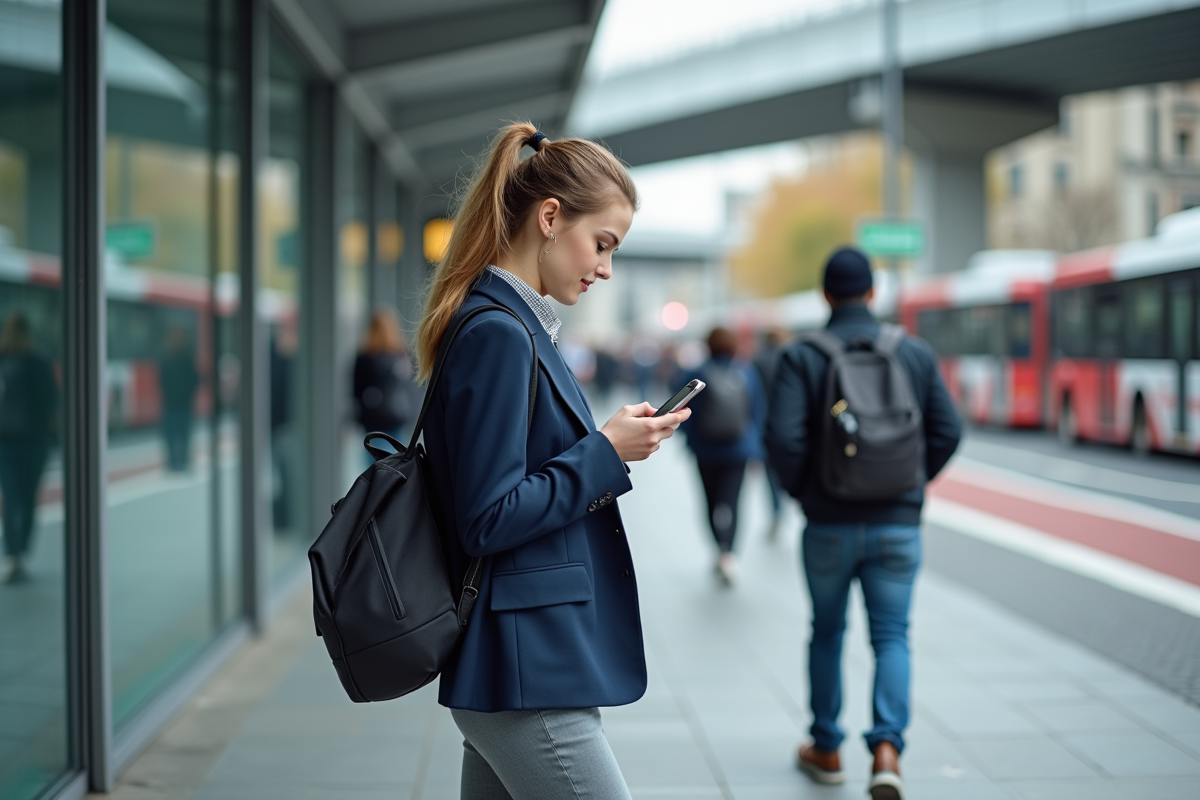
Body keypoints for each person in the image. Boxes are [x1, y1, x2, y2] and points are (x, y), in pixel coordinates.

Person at [416, 122, 690, 800]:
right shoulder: (500, 335)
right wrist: (603, 452)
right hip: (524, 669)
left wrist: (605, 445)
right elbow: (488, 515)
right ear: (548, 217)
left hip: (528, 662)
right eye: (602, 244)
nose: (604, 267)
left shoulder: (508, 324)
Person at [765, 247, 961, 800]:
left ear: (826, 295)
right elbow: (949, 431)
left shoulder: (802, 356)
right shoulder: (914, 353)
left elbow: (783, 440)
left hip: (828, 524)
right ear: (872, 293)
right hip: (898, 524)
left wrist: (812, 493)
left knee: (826, 632)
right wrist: (910, 485)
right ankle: (887, 751)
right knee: (892, 635)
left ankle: (826, 746)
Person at [679, 326, 765, 585]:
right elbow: (757, 411)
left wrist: (692, 442)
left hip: (706, 451)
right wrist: (755, 445)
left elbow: (686, 411)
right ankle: (729, 553)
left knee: (710, 502)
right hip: (738, 450)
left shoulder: (698, 373)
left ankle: (719, 549)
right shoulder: (746, 371)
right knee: (733, 502)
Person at [0, 312, 58, 584]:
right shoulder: (39, 360)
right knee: (29, 499)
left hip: (5, 442)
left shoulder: (2, 360)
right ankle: (22, 549)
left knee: (10, 500)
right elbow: (51, 401)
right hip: (34, 442)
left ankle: (13, 558)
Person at [353, 308, 414, 465]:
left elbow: (356, 390)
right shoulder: (401, 354)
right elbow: (411, 385)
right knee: (397, 460)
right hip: (396, 415)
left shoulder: (365, 356)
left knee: (372, 462)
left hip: (372, 417)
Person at [753, 326, 792, 540]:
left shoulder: (757, 360)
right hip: (789, 425)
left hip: (765, 427)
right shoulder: (790, 357)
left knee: (770, 476)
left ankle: (777, 512)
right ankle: (789, 504)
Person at [158, 325, 199, 472]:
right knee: (182, 434)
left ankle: (176, 461)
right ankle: (180, 461)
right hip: (180, 404)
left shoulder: (167, 358)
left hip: (174, 404)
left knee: (174, 434)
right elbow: (195, 380)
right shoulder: (185, 358)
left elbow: (161, 380)